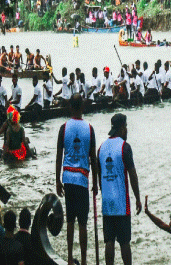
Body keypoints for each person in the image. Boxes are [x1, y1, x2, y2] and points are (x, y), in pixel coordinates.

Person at [56, 94, 98, 265]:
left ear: (70, 107)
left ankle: (69, 258)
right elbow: (93, 158)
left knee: (70, 220)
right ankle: (83, 260)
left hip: (67, 178)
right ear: (82, 107)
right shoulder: (89, 128)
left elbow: (59, 156)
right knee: (82, 223)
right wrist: (95, 182)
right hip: (82, 179)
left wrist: (57, 180)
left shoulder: (63, 128)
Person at [98, 113, 141, 265]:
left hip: (107, 201)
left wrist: (104, 195)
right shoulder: (124, 147)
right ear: (122, 128)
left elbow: (99, 177)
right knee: (124, 241)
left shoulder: (101, 148)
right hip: (121, 203)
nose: (127, 130)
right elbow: (133, 176)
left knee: (109, 240)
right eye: (126, 127)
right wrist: (138, 199)